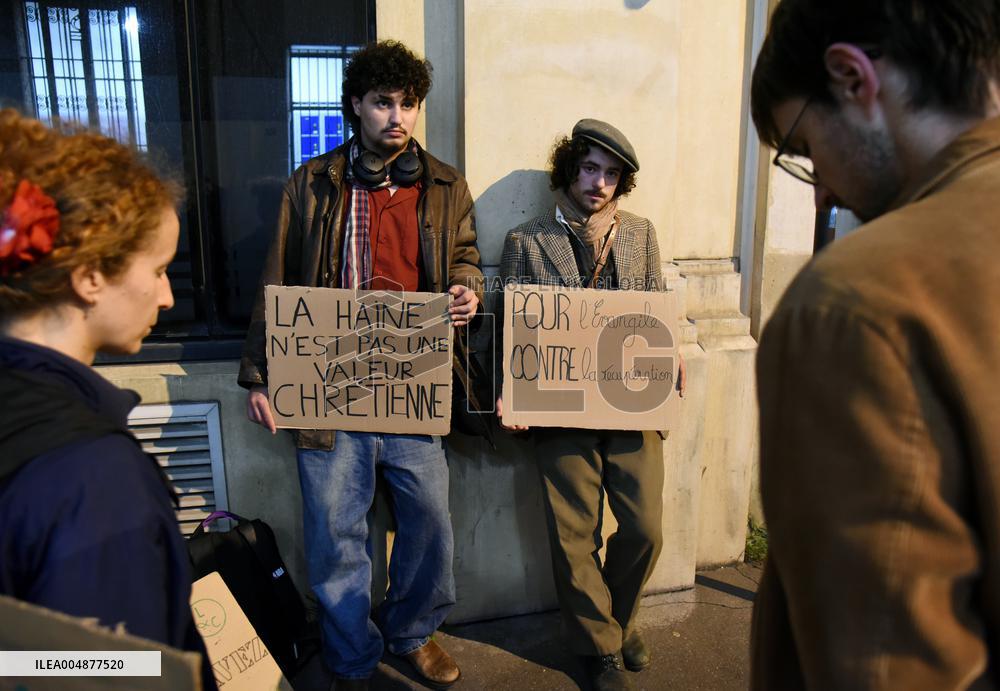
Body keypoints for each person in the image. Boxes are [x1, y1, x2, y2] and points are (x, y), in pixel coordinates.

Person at [750, 1, 1000, 688]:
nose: (822, 193)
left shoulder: (854, 303)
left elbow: (885, 666)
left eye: (805, 149)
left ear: (853, 77)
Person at [238, 40, 482, 690]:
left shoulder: (447, 185)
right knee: (334, 531)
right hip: (327, 385)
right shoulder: (311, 183)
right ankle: (350, 656)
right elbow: (277, 278)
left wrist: (467, 287)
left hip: (412, 383)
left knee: (430, 522)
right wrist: (260, 373)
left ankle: (412, 632)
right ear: (356, 105)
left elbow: (465, 254)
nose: (397, 116)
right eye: (382, 102)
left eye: (408, 103)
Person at [0, 109, 216, 689]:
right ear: (90, 275)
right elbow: (110, 673)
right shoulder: (93, 479)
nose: (167, 297)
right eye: (160, 269)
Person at [497, 119, 683, 691]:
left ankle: (616, 622)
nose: (599, 183)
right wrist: (509, 389)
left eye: (611, 174)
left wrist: (672, 359)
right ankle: (599, 649)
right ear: (570, 170)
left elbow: (655, 307)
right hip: (559, 406)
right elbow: (510, 326)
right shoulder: (526, 241)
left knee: (646, 528)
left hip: (630, 402)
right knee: (573, 533)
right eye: (590, 168)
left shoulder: (642, 234)